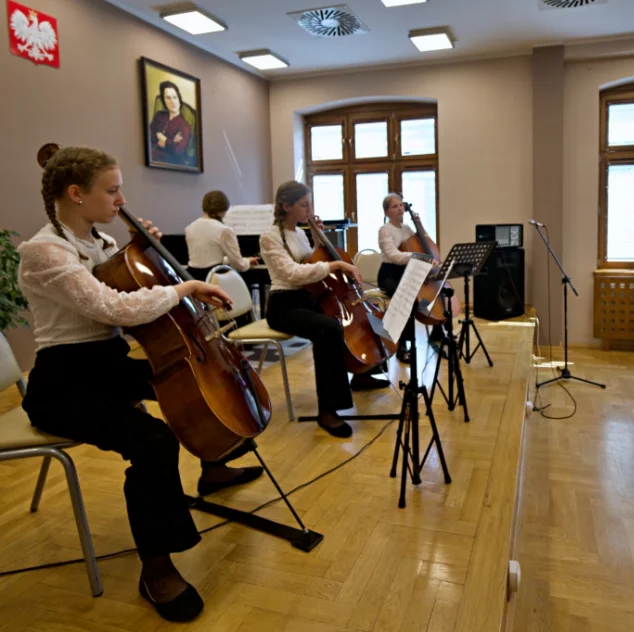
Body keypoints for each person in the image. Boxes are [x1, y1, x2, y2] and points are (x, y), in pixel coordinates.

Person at [17, 146, 250, 622]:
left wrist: (141, 252)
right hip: (63, 383)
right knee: (153, 441)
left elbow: (126, 287)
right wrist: (183, 287)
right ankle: (157, 568)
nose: (121, 199)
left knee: (192, 379)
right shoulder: (44, 251)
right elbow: (113, 308)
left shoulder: (102, 241)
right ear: (76, 194)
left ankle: (215, 464)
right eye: (112, 190)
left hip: (107, 363)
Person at [259, 181, 388, 437]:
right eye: (304, 204)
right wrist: (337, 265)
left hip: (307, 298)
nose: (310, 209)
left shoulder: (299, 233)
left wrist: (318, 239)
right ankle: (328, 411)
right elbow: (293, 273)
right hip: (283, 305)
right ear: (286, 206)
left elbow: (312, 261)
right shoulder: (269, 237)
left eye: (310, 204)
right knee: (328, 329)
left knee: (347, 321)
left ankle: (361, 373)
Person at [376, 192, 441, 363]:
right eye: (394, 206)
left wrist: (419, 226)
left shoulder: (406, 228)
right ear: (387, 212)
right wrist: (419, 256)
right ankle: (402, 346)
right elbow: (393, 255)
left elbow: (426, 242)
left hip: (408, 272)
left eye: (401, 205)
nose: (399, 208)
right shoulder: (385, 230)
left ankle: (437, 330)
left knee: (435, 292)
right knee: (408, 301)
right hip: (390, 275)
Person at [184, 190, 260, 281]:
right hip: (214, 280)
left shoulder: (189, 228)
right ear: (223, 209)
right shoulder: (224, 230)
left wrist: (238, 259)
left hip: (192, 279)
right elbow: (239, 266)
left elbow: (210, 259)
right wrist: (247, 261)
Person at [149, 81, 192, 166]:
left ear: (179, 99)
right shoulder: (159, 115)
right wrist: (171, 141)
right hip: (150, 159)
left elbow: (177, 150)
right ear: (164, 100)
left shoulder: (185, 126)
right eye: (168, 98)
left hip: (166, 164)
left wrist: (164, 140)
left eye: (175, 97)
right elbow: (149, 135)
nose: (172, 101)